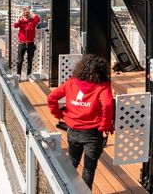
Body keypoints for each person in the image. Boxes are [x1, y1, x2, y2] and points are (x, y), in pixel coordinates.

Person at [46, 53, 115, 189]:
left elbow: (51, 97)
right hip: (92, 133)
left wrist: (58, 114)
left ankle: (66, 189)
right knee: (89, 168)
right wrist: (104, 126)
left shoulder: (72, 82)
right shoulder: (102, 86)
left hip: (73, 130)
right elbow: (107, 105)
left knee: (72, 162)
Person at [13, 7, 41, 77]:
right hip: (21, 43)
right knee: (20, 60)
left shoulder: (32, 21)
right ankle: (18, 75)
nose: (26, 15)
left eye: (27, 14)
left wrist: (30, 11)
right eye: (25, 14)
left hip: (30, 43)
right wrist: (20, 16)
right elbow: (15, 25)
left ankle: (29, 75)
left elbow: (37, 18)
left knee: (30, 60)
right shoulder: (21, 21)